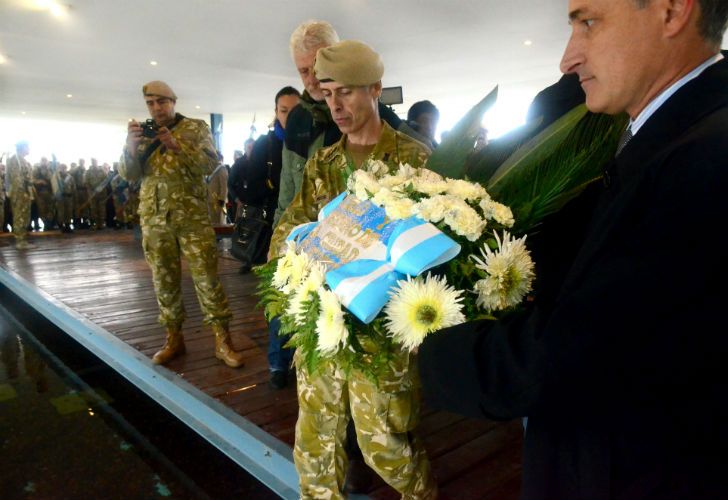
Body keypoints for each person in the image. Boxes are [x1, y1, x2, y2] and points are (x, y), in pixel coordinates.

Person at [417, 1, 728, 498]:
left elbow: (568, 361)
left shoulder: (704, 159)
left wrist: (421, 343)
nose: (568, 59)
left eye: (589, 22)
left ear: (671, 11)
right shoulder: (673, 133)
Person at [272, 40, 437, 500]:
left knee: (385, 443)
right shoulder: (323, 162)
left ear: (375, 89)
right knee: (315, 442)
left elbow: (437, 245)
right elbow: (292, 224)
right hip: (322, 322)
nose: (336, 105)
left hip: (380, 330)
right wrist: (286, 277)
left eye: (345, 92)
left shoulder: (414, 160)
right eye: (328, 94)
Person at [119, 80, 244, 369]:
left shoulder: (196, 128)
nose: (156, 108)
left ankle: (222, 340)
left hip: (192, 217)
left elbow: (210, 165)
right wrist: (130, 147)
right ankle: (174, 338)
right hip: (154, 218)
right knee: (163, 278)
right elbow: (128, 174)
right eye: (151, 103)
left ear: (173, 101)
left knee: (207, 277)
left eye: (162, 101)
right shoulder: (141, 134)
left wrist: (178, 147)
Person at [246, 85, 301, 389]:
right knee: (278, 298)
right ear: (275, 113)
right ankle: (278, 362)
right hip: (276, 231)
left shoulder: (312, 143)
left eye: (296, 111)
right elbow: (248, 186)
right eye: (284, 111)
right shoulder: (268, 146)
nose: (289, 117)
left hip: (308, 231)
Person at [6, 141, 35, 249]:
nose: (29, 149)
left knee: (24, 216)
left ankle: (22, 240)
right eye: (27, 147)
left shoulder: (22, 160)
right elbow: (16, 179)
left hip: (24, 192)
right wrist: (23, 193)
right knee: (19, 217)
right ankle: (20, 241)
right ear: (22, 148)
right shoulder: (15, 160)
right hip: (20, 193)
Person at [51, 163, 75, 233]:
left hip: (68, 197)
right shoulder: (56, 177)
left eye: (64, 168)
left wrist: (73, 196)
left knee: (69, 212)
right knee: (61, 212)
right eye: (61, 168)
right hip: (60, 197)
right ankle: (61, 226)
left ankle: (68, 225)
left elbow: (73, 187)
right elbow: (54, 187)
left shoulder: (70, 177)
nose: (63, 169)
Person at [32, 157, 55, 230]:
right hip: (40, 193)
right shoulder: (36, 170)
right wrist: (40, 181)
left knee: (51, 208)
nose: (44, 162)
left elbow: (53, 179)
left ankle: (49, 222)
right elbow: (32, 180)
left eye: (45, 161)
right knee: (42, 209)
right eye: (43, 161)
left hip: (49, 192)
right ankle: (45, 223)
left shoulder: (50, 170)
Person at [84, 158, 108, 230]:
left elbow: (106, 181)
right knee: (93, 209)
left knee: (102, 209)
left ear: (97, 162)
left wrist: (101, 189)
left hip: (101, 193)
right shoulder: (88, 172)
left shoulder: (102, 171)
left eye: (95, 162)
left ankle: (101, 224)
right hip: (92, 194)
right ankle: (95, 224)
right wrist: (91, 191)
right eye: (92, 162)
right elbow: (86, 183)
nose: (94, 163)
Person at [206, 152, 229, 225]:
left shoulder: (222, 169)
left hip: (218, 201)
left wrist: (222, 199)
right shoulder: (211, 169)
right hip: (210, 199)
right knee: (212, 223)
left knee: (219, 223)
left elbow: (224, 186)